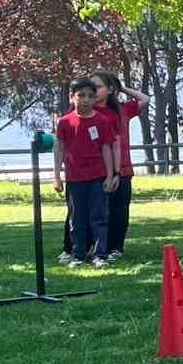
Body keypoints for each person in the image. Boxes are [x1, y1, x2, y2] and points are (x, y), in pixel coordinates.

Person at [53, 77, 120, 267]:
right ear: (72, 97)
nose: (85, 100)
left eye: (90, 96)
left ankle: (100, 255)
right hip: (75, 178)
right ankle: (78, 255)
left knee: (99, 217)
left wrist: (110, 175)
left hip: (97, 177)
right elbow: (60, 149)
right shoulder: (65, 122)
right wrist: (56, 175)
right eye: (81, 95)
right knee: (77, 218)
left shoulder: (102, 120)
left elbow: (107, 148)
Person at [90, 71, 152, 261]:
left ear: (110, 90)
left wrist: (121, 87)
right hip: (98, 171)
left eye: (99, 86)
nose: (94, 91)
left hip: (123, 169)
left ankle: (116, 247)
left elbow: (145, 98)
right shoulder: (89, 112)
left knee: (119, 211)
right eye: (92, 87)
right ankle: (97, 246)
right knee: (99, 212)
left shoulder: (122, 109)